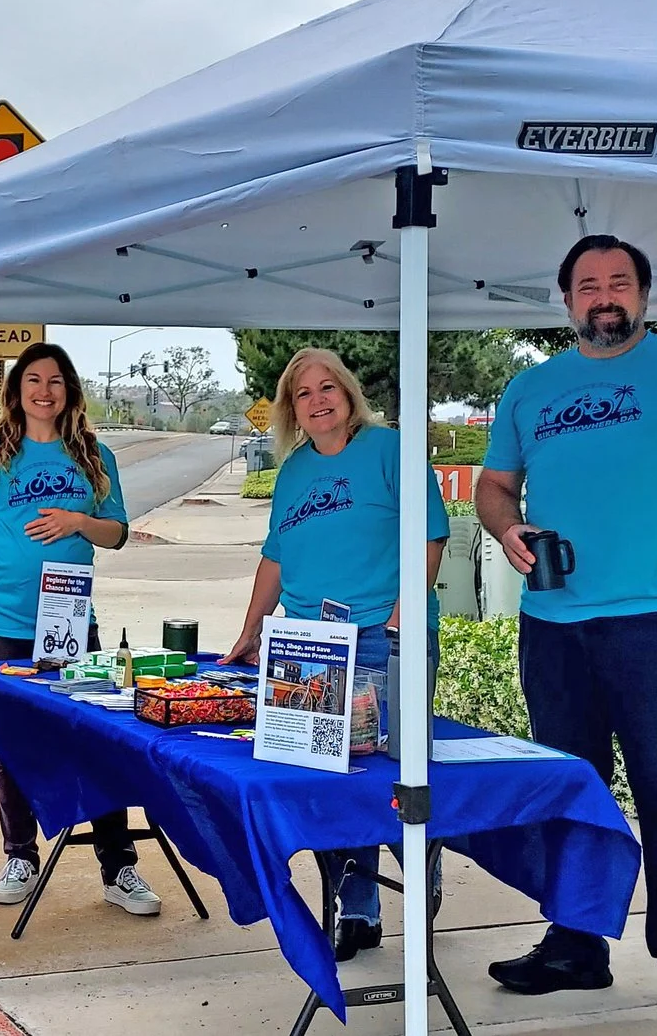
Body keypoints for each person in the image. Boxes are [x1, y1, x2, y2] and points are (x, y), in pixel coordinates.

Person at [474, 236, 657, 1036]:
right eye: (587, 285)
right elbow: (492, 486)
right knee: (573, 797)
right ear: (566, 299)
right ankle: (576, 944)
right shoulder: (531, 388)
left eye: (618, 282)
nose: (603, 296)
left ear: (643, 293)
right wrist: (506, 526)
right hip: (553, 628)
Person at [220, 346, 446, 961]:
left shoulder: (390, 450)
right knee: (329, 781)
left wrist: (405, 611)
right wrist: (252, 629)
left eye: (327, 388)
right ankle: (357, 910)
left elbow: (430, 534)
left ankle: (422, 882)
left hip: (381, 635)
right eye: (303, 393)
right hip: (310, 647)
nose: (317, 400)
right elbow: (276, 556)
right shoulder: (293, 470)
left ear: (348, 393)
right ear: (290, 409)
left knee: (392, 776)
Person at [0, 343, 162, 916]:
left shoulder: (93, 455)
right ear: (16, 390)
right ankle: (20, 856)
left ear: (69, 390)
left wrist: (78, 521)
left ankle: (118, 867)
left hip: (70, 620)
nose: (44, 391)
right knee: (11, 743)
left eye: (55, 381)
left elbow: (117, 533)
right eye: (33, 380)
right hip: (4, 620)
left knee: (93, 736)